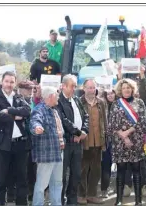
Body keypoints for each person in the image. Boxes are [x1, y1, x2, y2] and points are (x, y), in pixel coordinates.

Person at [0, 71, 31, 206]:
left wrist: (10, 110)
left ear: (15, 83)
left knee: (22, 178)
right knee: (1, 178)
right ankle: (1, 203)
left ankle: (21, 204)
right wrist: (16, 116)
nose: (9, 84)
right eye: (7, 81)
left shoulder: (18, 97)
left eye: (12, 82)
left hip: (20, 144)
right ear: (2, 82)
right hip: (2, 145)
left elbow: (27, 111)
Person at [107, 78, 146, 206]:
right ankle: (119, 200)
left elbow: (142, 121)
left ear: (132, 89)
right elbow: (112, 124)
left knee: (137, 170)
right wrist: (123, 136)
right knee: (121, 170)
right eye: (124, 88)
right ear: (120, 89)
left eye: (128, 87)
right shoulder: (116, 104)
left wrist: (128, 132)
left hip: (135, 141)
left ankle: (138, 200)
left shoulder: (139, 102)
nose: (126, 90)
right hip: (120, 142)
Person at [57, 74, 89, 205]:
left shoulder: (76, 99)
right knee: (62, 175)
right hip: (66, 143)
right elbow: (63, 120)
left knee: (76, 174)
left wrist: (84, 132)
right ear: (63, 86)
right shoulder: (58, 100)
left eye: (75, 86)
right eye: (72, 86)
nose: (74, 89)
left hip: (78, 143)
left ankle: (72, 201)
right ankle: (60, 201)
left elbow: (85, 116)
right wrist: (77, 132)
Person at [30, 86, 64, 206]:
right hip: (46, 155)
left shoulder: (53, 110)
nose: (58, 97)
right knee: (41, 185)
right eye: (56, 94)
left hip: (57, 153)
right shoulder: (39, 109)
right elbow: (35, 121)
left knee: (57, 183)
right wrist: (36, 128)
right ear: (50, 96)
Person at [78, 79, 107, 205]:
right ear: (84, 88)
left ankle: (92, 195)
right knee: (82, 170)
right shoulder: (79, 102)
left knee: (96, 170)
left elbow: (104, 122)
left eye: (93, 87)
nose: (91, 90)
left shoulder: (101, 103)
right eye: (89, 87)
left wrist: (105, 139)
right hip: (84, 142)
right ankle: (81, 195)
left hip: (98, 141)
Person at [101, 89, 117, 198]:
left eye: (112, 93)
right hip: (107, 140)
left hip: (119, 139)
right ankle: (104, 189)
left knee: (121, 166)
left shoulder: (120, 104)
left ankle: (119, 187)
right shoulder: (102, 105)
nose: (110, 95)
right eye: (108, 94)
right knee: (106, 165)